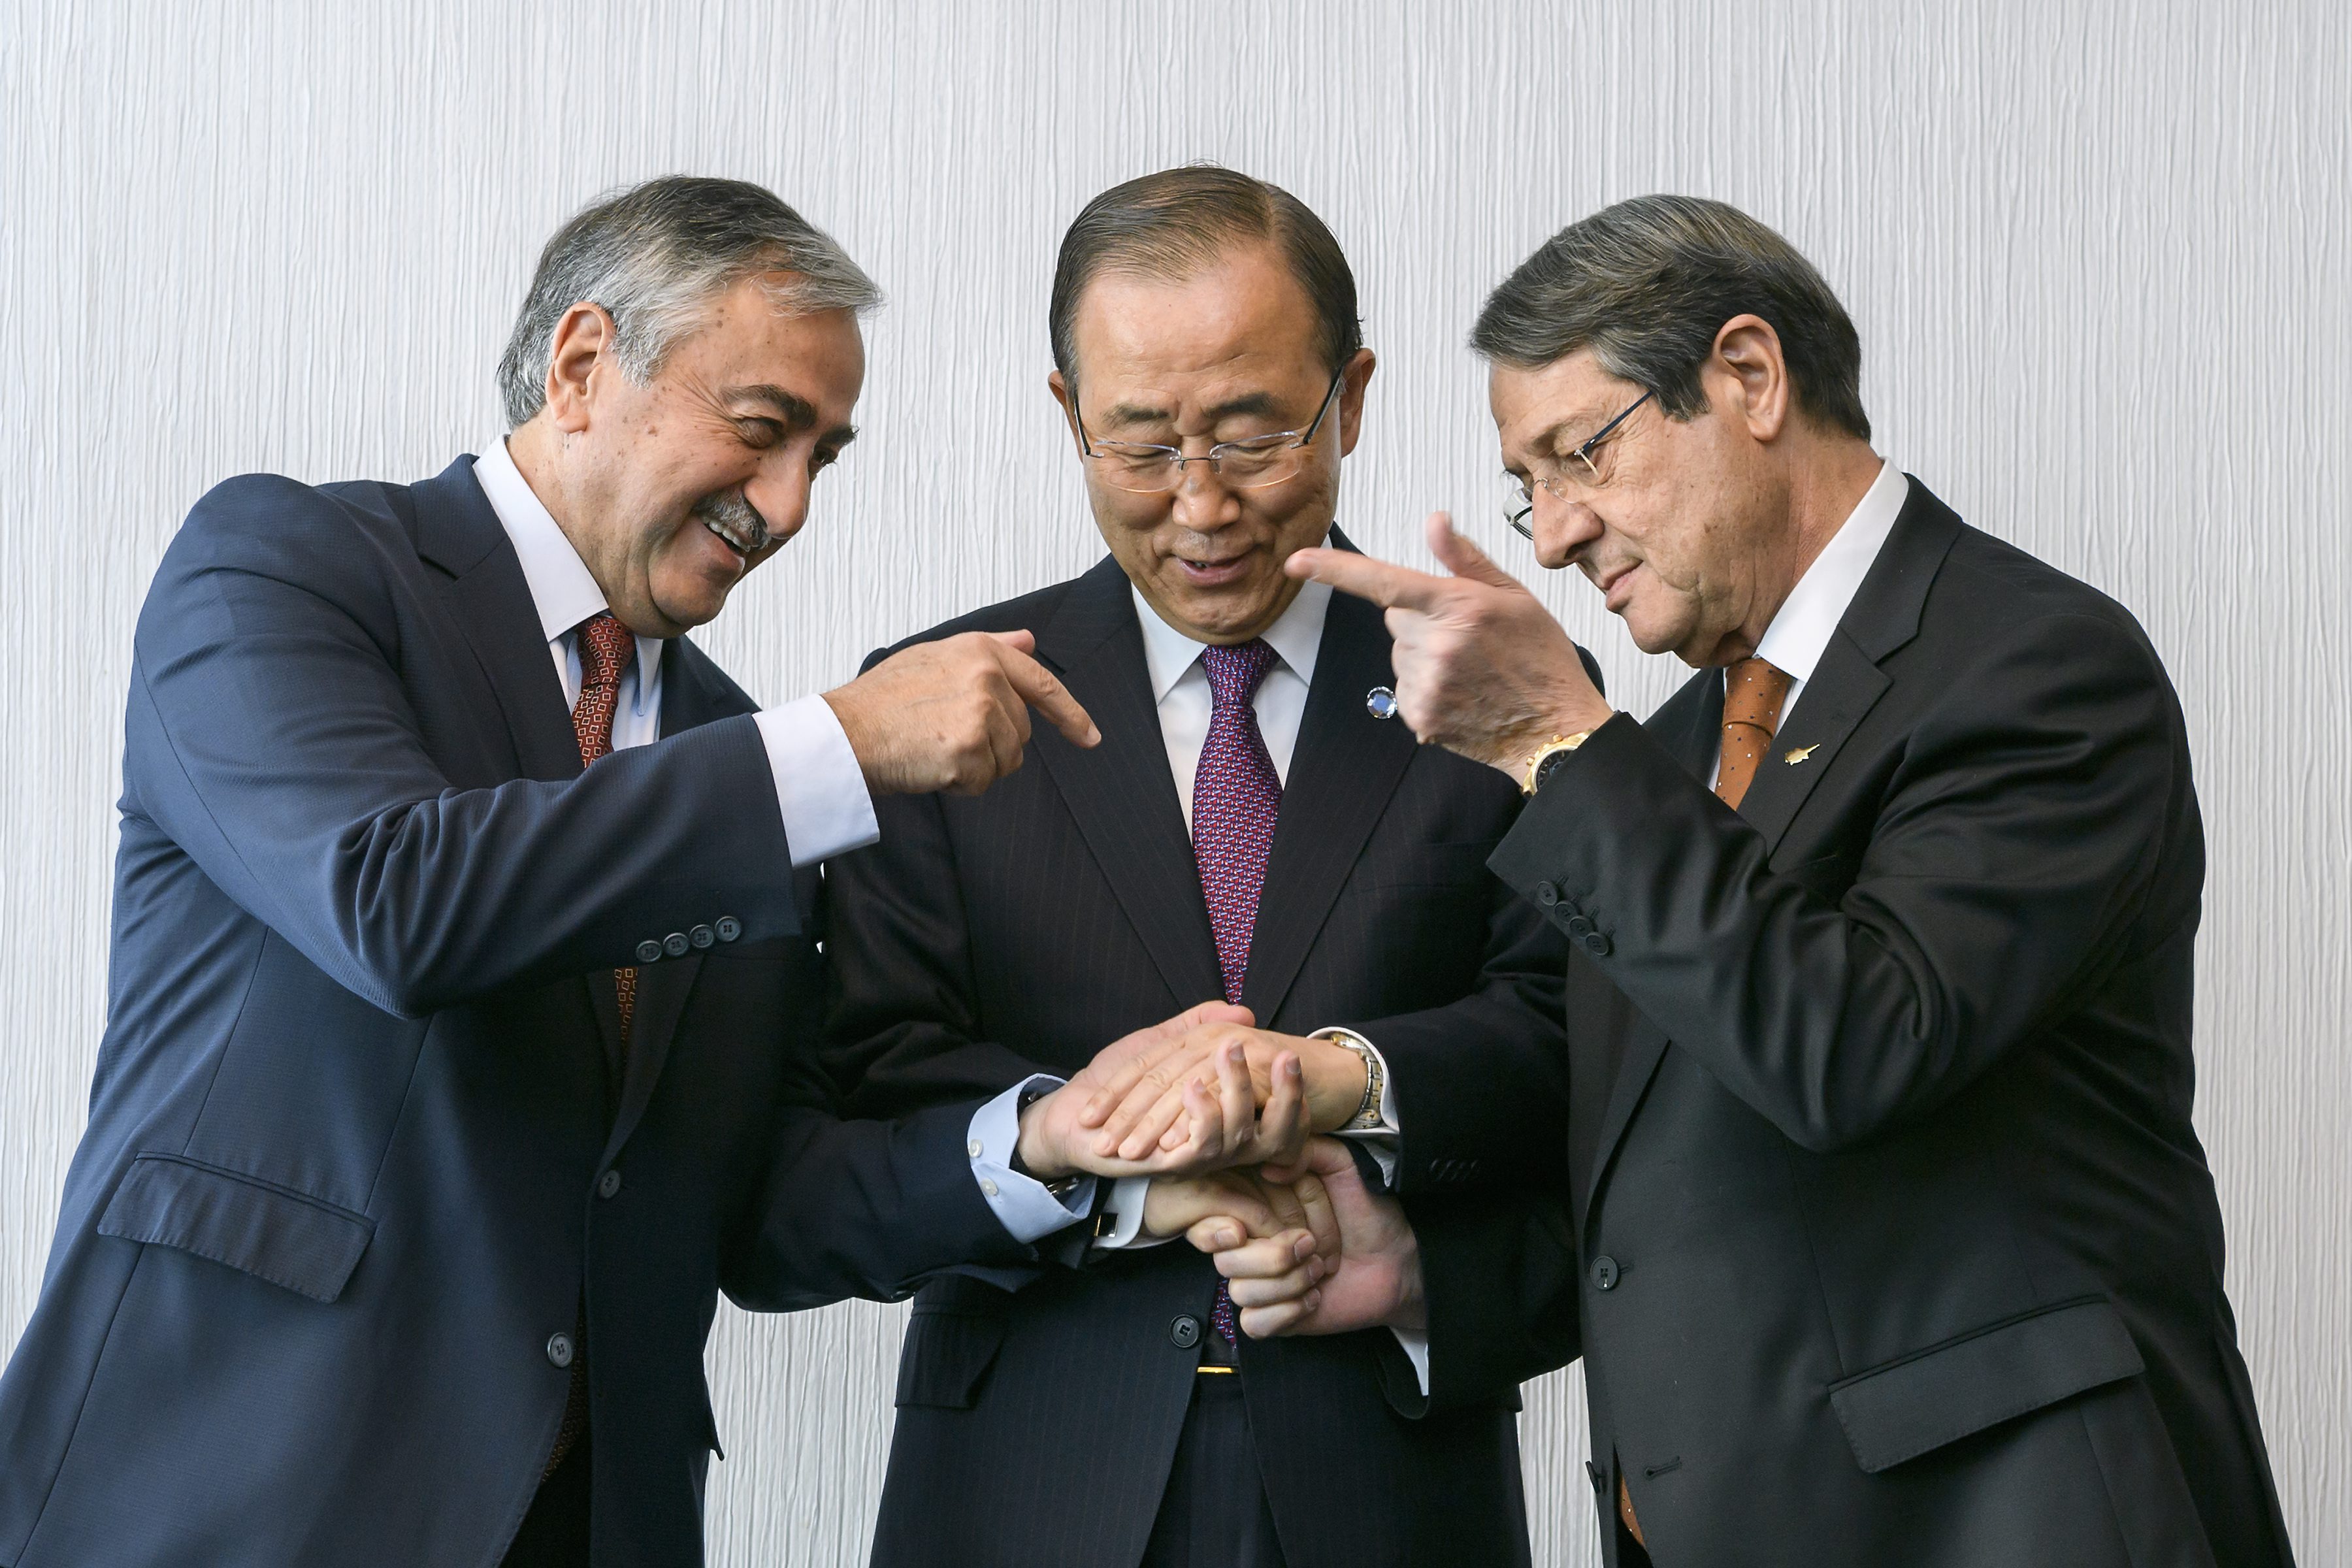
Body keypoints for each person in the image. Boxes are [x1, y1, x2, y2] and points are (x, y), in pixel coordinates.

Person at [0, 175, 1279, 1568]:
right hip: (234, 1488)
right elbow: (392, 901)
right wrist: (841, 744)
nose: (788, 506)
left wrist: (1047, 1146)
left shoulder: (743, 754)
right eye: (763, 430)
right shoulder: (286, 566)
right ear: (581, 367)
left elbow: (762, 1211)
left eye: (824, 459)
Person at [1224, 194, 2296, 1567]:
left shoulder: (2040, 666)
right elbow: (1680, 1184)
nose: (1553, 537)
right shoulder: (1668, 749)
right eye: (1528, 487)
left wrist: (1557, 741)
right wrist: (1422, 1276)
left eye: (1580, 455)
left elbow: (1850, 1048)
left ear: (1748, 375)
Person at [821, 165, 1576, 1568]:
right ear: (1071, 416)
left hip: (1389, 1479)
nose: (1203, 503)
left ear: (1350, 399)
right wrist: (1092, 1162)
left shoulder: (1502, 684)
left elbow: (1573, 1043)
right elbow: (863, 1105)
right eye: (1142, 444)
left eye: (1250, 434)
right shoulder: (938, 702)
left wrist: (1348, 1082)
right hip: (1023, 1488)